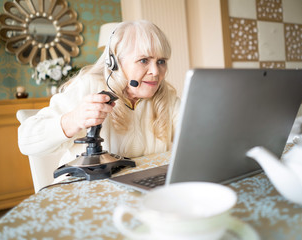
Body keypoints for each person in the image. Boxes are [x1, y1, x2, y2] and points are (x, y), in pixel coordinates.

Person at [18, 20, 180, 166]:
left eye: (161, 62)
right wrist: (74, 120)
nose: (155, 71)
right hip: (88, 190)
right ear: (115, 63)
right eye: (143, 60)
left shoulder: (166, 97)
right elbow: (25, 141)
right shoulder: (89, 86)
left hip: (144, 189)